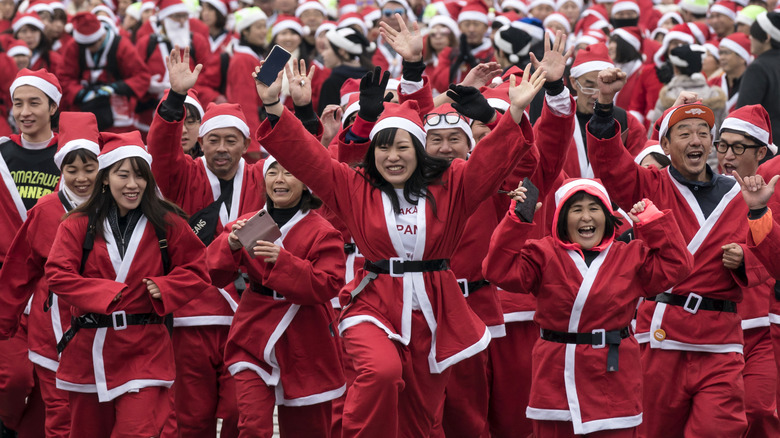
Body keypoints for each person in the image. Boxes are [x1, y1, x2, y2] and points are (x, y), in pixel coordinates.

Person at [253, 47, 545, 435]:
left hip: (436, 308)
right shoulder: (353, 186)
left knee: (421, 415)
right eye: (384, 148)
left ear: (418, 150)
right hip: (373, 301)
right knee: (381, 372)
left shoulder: (453, 185)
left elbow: (491, 161)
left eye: (402, 147)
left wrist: (513, 115)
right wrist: (273, 103)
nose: (392, 157)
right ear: (372, 154)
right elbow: (308, 158)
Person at [587, 68, 769, 437]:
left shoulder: (743, 194)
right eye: (684, 133)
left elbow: (769, 261)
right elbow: (610, 166)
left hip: (721, 341)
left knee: (720, 430)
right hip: (661, 335)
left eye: (704, 133)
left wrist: (748, 250)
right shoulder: (650, 183)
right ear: (665, 147)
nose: (696, 139)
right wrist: (605, 106)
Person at [483, 178, 692, 437]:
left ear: (607, 215)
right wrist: (516, 221)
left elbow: (679, 265)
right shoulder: (542, 253)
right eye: (576, 209)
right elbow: (497, 269)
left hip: (614, 379)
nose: (586, 217)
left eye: (594, 208)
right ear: (561, 217)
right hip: (555, 379)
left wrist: (653, 222)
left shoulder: (630, 255)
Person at [44, 130, 210, 437]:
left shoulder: (167, 222)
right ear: (105, 178)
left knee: (137, 431)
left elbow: (198, 269)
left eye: (140, 176)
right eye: (123, 175)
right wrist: (105, 292)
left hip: (145, 348)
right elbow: (57, 275)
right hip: (88, 349)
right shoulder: (78, 223)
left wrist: (168, 287)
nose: (132, 185)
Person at [208, 158, 346, 437]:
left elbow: (328, 284)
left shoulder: (323, 232)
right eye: (273, 172)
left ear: (306, 184)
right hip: (253, 331)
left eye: (289, 172)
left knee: (308, 428)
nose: (280, 179)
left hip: (306, 336)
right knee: (252, 426)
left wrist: (283, 262)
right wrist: (229, 245)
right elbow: (213, 274)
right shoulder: (246, 224)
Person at [0, 112, 101, 438]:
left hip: (102, 332)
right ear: (61, 170)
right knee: (58, 415)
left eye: (90, 168)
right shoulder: (45, 210)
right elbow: (18, 271)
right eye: (72, 170)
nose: (82, 177)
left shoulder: (117, 206)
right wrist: (4, 323)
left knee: (89, 416)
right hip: (51, 327)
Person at [715, 104, 780, 437]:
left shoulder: (772, 188)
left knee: (757, 409)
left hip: (762, 326)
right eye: (722, 146)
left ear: (760, 152)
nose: (727, 155)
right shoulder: (702, 183)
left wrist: (746, 260)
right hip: (713, 327)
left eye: (737, 147)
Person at [60, 12, 151, 132]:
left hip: (118, 112)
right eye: (86, 45)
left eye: (94, 43)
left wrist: (115, 88)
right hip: (83, 108)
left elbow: (142, 76)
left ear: (102, 35)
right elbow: (64, 77)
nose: (91, 48)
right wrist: (81, 93)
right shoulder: (75, 46)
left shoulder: (121, 45)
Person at [737, 11, 780, 160]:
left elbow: (744, 114)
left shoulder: (759, 67)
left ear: (767, 37)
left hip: (769, 153)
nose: (750, 38)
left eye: (753, 34)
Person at [317, 26, 374, 115]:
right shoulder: (371, 75)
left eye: (327, 48)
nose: (323, 54)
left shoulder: (332, 83)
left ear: (342, 51)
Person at [709, 33, 751, 114]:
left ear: (742, 58)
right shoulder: (713, 83)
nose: (722, 58)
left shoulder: (754, 85)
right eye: (720, 53)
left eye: (726, 53)